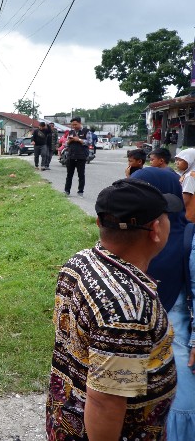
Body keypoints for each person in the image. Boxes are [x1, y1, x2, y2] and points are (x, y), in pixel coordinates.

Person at [46, 178, 180, 440]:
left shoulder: (81, 261)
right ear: (156, 229)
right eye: (165, 217)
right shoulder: (127, 308)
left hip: (66, 417)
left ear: (99, 223)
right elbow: (104, 402)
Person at [131, 167, 195, 440]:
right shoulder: (126, 239)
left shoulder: (188, 239)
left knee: (179, 406)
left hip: (178, 344)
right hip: (137, 345)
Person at [63, 117, 90, 198]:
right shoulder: (71, 132)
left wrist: (78, 139)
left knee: (81, 175)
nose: (74, 126)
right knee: (69, 175)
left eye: (75, 124)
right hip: (71, 156)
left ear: (80, 123)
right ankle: (67, 191)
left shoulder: (86, 131)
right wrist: (69, 141)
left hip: (81, 156)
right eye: (72, 125)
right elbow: (65, 144)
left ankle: (80, 191)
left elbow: (89, 142)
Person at [175, 149, 195, 222]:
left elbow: (185, 199)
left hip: (189, 216)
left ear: (190, 161)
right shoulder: (189, 174)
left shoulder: (190, 176)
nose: (176, 163)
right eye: (176, 160)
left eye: (180, 160)